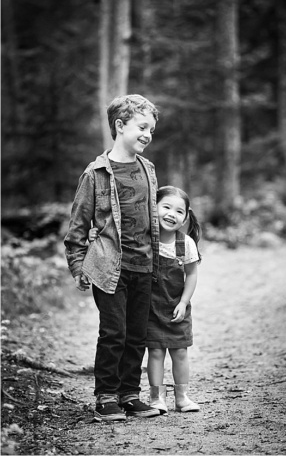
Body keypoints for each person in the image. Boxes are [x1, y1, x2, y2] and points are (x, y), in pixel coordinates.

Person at [64, 94, 162, 421]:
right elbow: (78, 226)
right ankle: (105, 395)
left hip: (144, 266)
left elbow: (152, 219)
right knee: (114, 333)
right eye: (142, 127)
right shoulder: (95, 174)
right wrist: (79, 267)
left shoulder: (148, 169)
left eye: (152, 129)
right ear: (120, 126)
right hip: (109, 269)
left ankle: (129, 394)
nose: (148, 134)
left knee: (137, 334)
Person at [143, 186, 203, 413]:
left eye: (179, 211)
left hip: (177, 307)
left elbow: (192, 274)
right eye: (166, 207)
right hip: (150, 308)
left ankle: (182, 397)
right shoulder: (144, 239)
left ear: (186, 217)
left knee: (179, 352)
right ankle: (156, 398)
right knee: (156, 352)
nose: (172, 214)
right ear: (153, 207)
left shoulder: (185, 243)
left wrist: (184, 302)